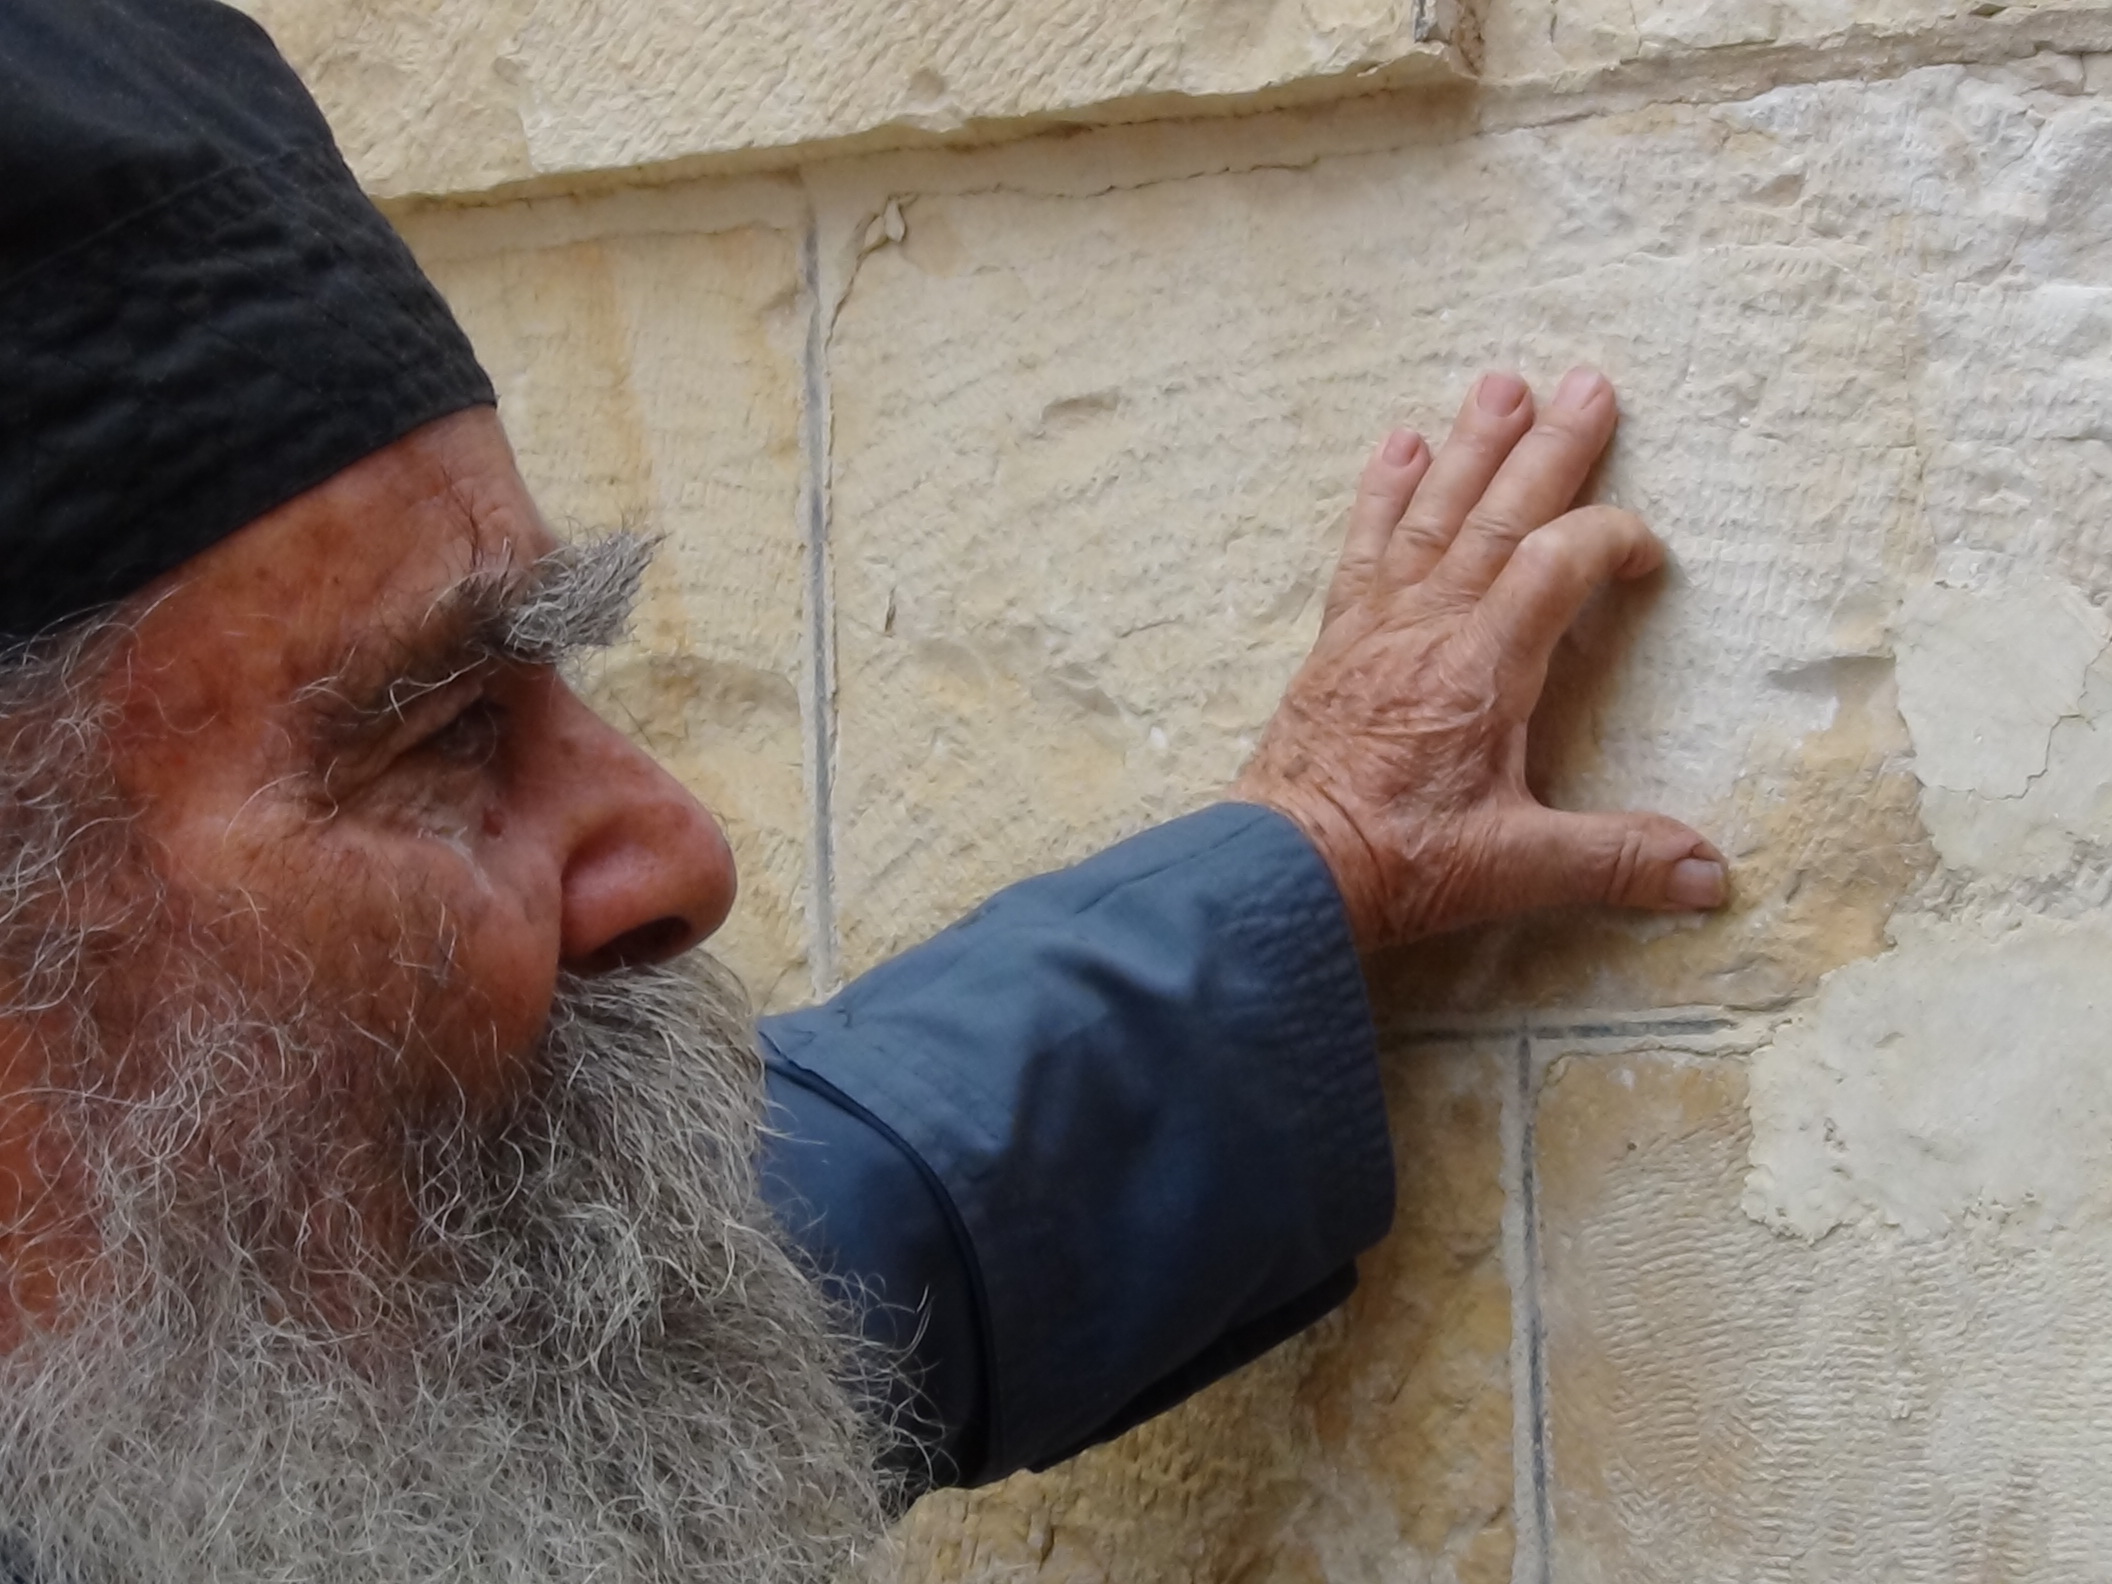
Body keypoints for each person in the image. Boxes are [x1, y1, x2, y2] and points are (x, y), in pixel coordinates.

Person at [0, 0, 1729, 1580]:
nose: (683, 848)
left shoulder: (257, 1345)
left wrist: (1320, 846)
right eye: (437, 735)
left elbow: (828, 1238)